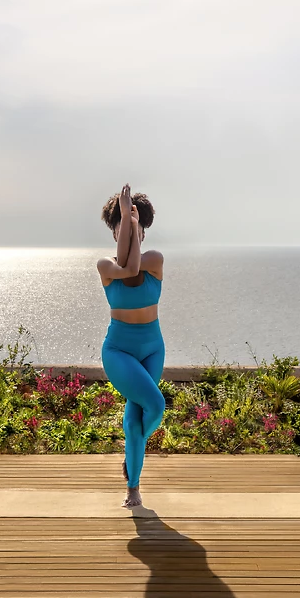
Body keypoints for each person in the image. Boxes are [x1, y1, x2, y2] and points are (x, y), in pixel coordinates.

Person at [97, 184, 165, 509]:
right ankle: (133, 489)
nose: (127, 230)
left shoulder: (155, 259)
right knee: (156, 406)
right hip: (119, 352)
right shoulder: (105, 266)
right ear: (114, 229)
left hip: (153, 348)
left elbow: (137, 264)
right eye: (120, 225)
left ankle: (132, 460)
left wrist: (132, 222)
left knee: (137, 419)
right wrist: (127, 217)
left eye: (137, 225)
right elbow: (128, 268)